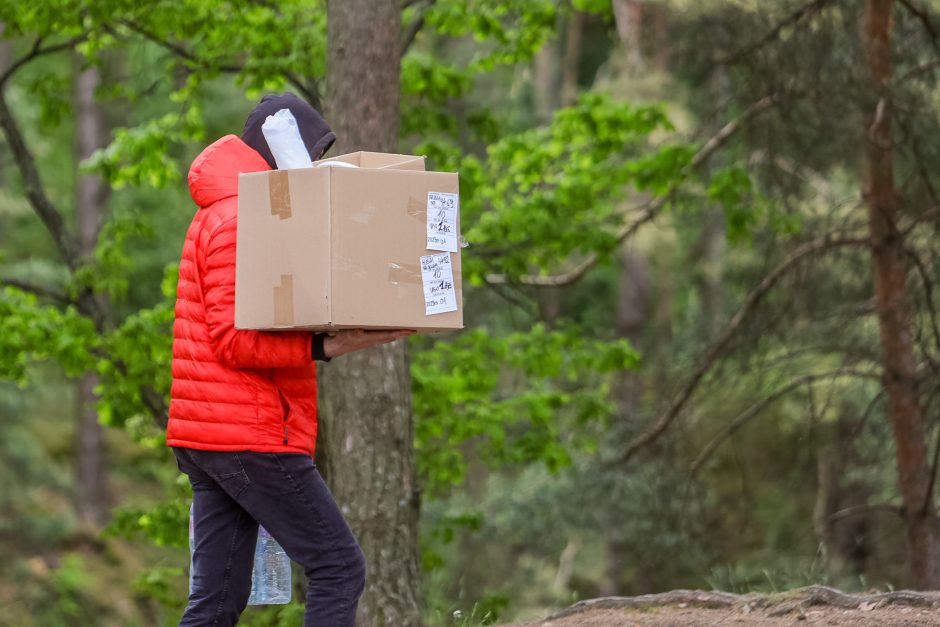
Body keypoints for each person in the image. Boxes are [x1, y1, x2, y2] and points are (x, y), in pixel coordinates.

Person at [166, 93, 412, 627]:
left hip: (215, 433)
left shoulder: (237, 211)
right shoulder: (237, 218)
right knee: (338, 567)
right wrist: (328, 345)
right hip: (247, 432)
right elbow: (233, 339)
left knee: (213, 604)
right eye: (312, 154)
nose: (315, 169)